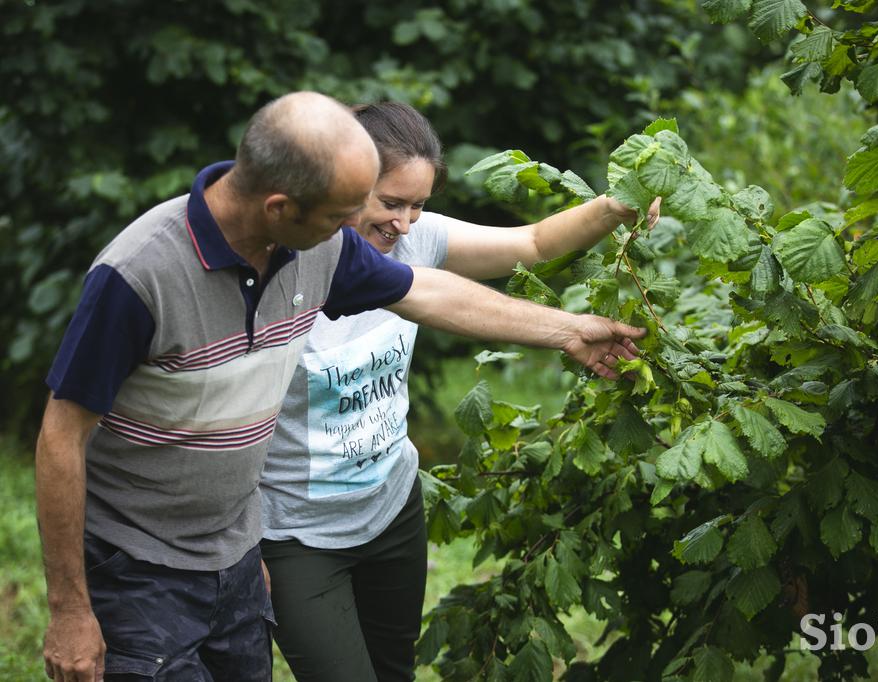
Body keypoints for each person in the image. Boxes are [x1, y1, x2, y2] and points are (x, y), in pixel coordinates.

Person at [35, 91, 646, 682]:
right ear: (280, 207)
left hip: (238, 554)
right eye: (341, 213)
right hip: (143, 563)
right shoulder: (139, 275)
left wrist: (567, 329)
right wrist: (68, 609)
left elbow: (425, 291)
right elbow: (61, 436)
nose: (370, 227)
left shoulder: (313, 246)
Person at [260, 101, 660, 682]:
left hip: (391, 513)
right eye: (389, 202)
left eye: (417, 205)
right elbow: (227, 429)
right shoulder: (282, 278)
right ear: (341, 187)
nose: (403, 222)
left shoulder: (413, 242)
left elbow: (536, 243)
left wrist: (612, 207)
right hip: (297, 536)